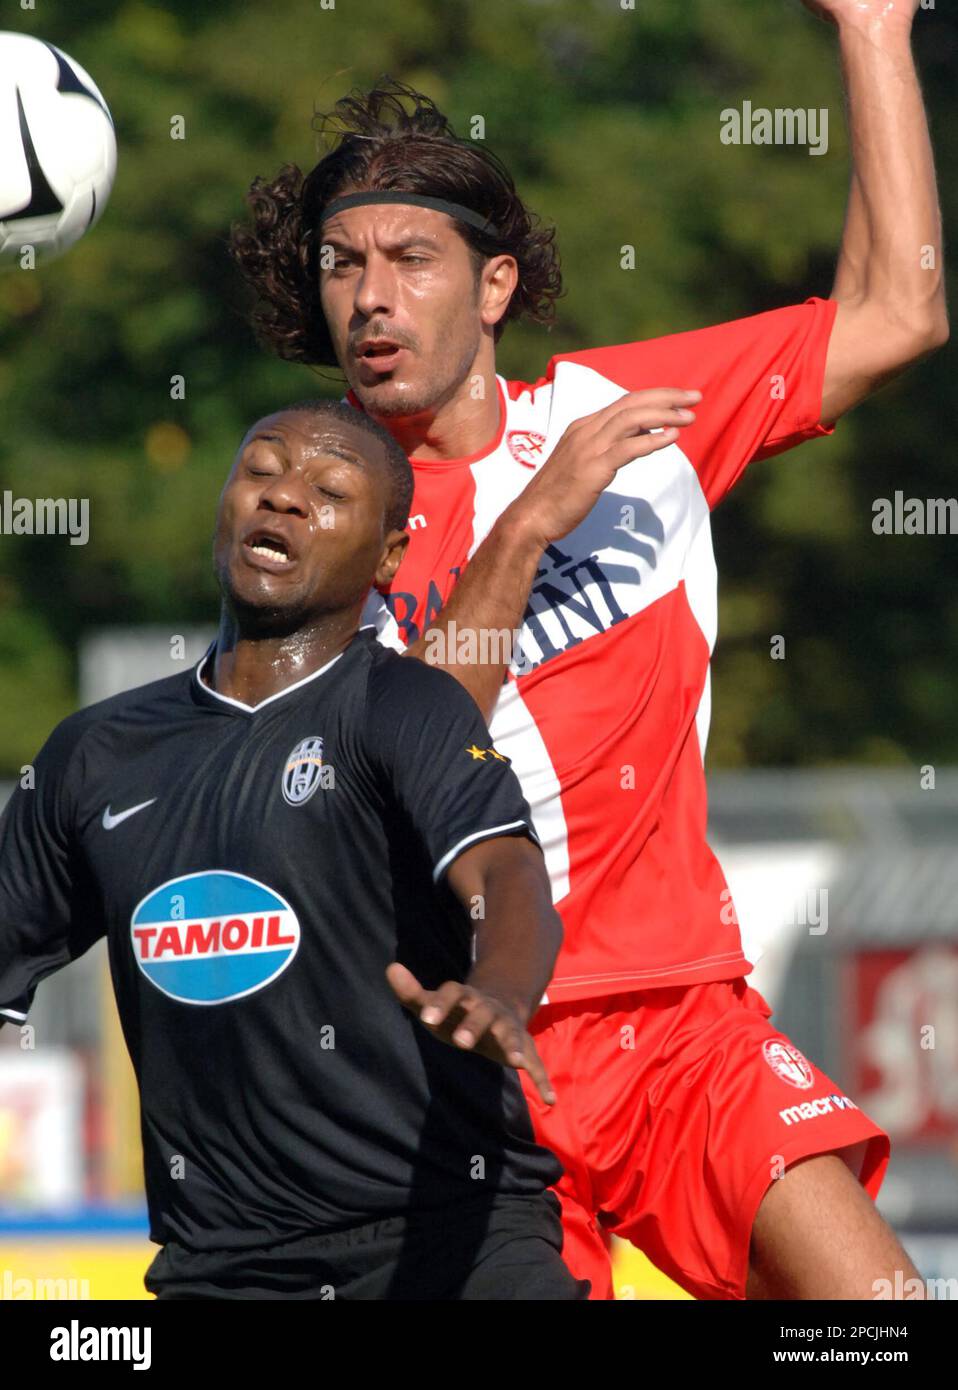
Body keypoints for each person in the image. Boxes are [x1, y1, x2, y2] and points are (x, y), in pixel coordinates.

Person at [229, 1, 948, 1302]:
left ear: (494, 283)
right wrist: (531, 522)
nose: (372, 296)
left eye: (409, 257)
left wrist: (873, 28)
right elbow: (396, 746)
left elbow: (897, 313)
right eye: (340, 263)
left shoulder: (621, 417)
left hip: (681, 1029)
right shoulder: (311, 506)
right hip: (461, 1063)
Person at [0, 399, 590, 1302]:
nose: (282, 499)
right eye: (261, 471)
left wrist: (501, 989)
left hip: (450, 1243)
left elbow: (506, 872)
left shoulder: (403, 708)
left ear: (390, 555)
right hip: (227, 1270)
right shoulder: (96, 753)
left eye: (328, 490)